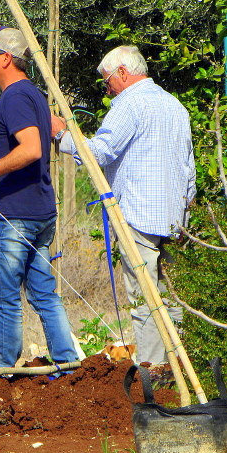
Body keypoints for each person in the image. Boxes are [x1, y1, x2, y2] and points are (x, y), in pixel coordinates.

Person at [51, 45, 195, 364]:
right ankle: (181, 368)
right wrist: (186, 216)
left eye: (107, 82)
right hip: (175, 220)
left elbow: (99, 153)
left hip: (140, 217)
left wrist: (62, 136)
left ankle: (154, 373)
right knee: (172, 300)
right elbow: (190, 172)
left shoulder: (130, 104)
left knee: (144, 302)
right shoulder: (175, 107)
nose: (108, 89)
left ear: (122, 73)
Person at [0, 26, 78, 369]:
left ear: (6, 59)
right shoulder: (33, 96)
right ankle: (67, 363)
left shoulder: (14, 97)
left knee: (5, 295)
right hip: (36, 211)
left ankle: (3, 366)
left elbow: (31, 149)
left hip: (15, 218)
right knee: (43, 291)